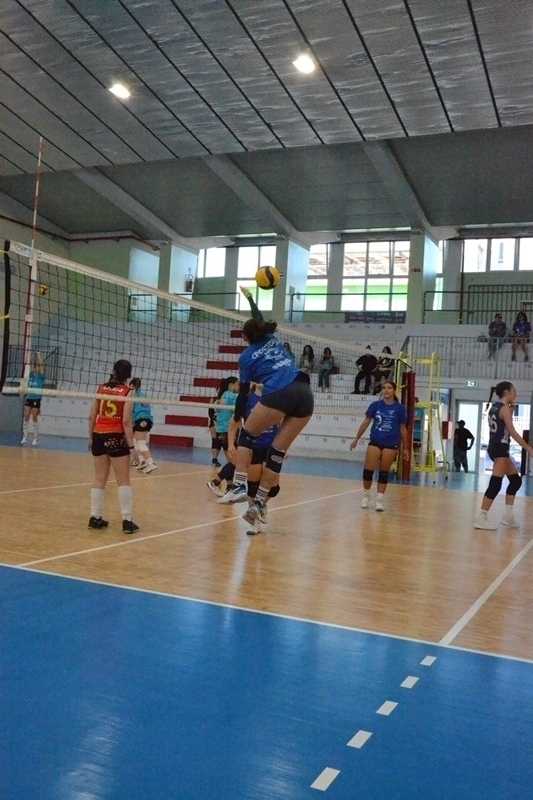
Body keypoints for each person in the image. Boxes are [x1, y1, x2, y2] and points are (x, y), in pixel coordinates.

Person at [220, 316, 314, 526]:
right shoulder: (271, 338)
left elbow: (243, 394)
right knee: (277, 453)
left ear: (244, 336)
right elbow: (259, 320)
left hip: (281, 392)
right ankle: (258, 503)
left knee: (247, 435)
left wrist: (238, 417)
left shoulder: (246, 357)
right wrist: (252, 302)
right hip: (305, 393)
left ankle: (239, 485)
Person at [88, 359, 139, 534]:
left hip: (98, 434)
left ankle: (95, 517)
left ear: (114, 371)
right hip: (115, 436)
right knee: (123, 480)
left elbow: (92, 415)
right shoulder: (128, 392)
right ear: (128, 374)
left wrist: (90, 437)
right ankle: (127, 521)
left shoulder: (101, 388)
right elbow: (126, 421)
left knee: (99, 478)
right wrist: (131, 447)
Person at [474, 381, 533, 530]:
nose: (516, 393)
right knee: (496, 483)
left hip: (496, 447)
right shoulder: (504, 409)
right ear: (507, 392)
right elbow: (512, 432)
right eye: (514, 391)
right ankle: (481, 517)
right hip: (499, 448)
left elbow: (501, 426)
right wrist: (528, 448)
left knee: (515, 481)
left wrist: (510, 411)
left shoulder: (495, 407)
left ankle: (508, 515)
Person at [349, 379, 408, 512]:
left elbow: (403, 429)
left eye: (389, 388)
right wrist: (357, 438)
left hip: (391, 443)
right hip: (375, 441)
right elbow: (366, 422)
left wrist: (405, 448)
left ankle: (379, 500)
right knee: (368, 471)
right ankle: (366, 495)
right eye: (384, 388)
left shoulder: (399, 409)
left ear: (394, 391)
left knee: (383, 473)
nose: (386, 390)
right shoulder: (375, 405)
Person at [129, 377, 157, 474]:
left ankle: (151, 463)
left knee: (140, 443)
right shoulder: (142, 394)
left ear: (132, 385)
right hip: (146, 420)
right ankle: (142, 461)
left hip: (142, 419)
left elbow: (131, 410)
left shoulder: (132, 396)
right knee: (135, 441)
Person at [212, 376, 240, 463]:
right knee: (232, 461)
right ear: (231, 385)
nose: (240, 387)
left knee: (230, 460)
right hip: (228, 431)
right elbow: (242, 402)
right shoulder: (231, 396)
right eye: (238, 385)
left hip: (220, 431)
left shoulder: (223, 395)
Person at [21, 352, 46, 446]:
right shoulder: (31, 376)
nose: (36, 368)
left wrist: (39, 355)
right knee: (26, 415)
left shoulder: (41, 377)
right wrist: (31, 356)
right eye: (36, 367)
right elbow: (30, 365)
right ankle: (25, 437)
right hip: (29, 397)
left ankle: (36, 438)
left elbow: (42, 365)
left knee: (34, 415)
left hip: (36, 398)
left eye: (38, 367)